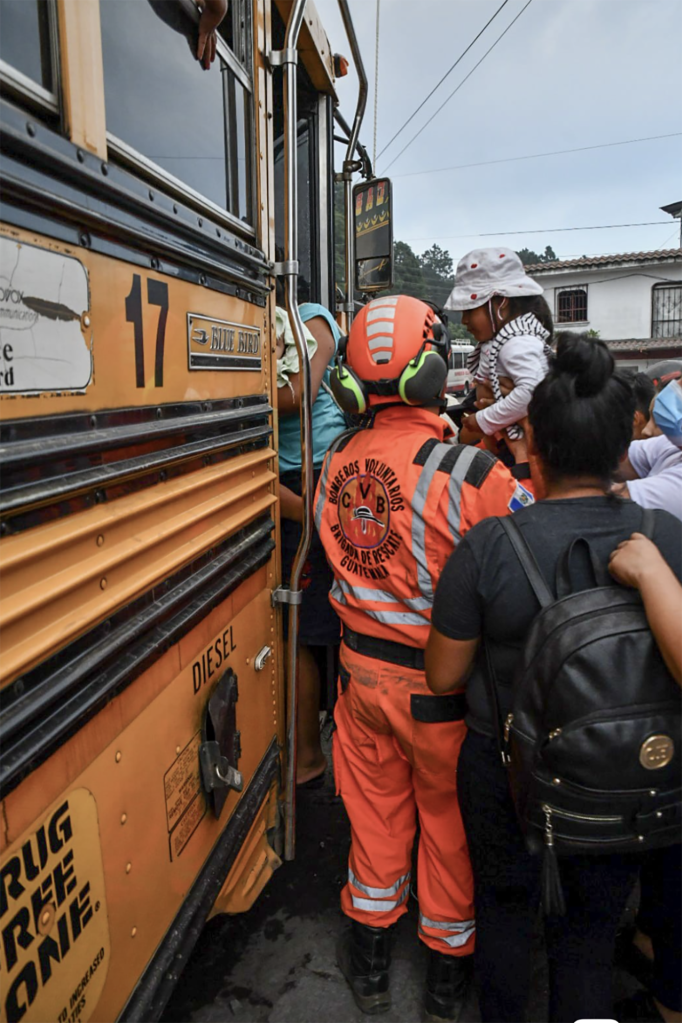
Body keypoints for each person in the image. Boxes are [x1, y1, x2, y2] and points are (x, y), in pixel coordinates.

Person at [425, 333, 682, 1023]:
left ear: (530, 441)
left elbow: (445, 672)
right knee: (590, 940)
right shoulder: (668, 537)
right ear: (624, 445)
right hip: (624, 773)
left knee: (504, 913)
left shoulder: (487, 548)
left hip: (508, 768)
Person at [316, 295, 532, 1021]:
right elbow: (527, 554)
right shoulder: (472, 474)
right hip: (442, 691)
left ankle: (371, 959)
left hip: (359, 679)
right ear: (434, 368)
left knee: (374, 817)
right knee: (447, 825)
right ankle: (446, 978)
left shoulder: (333, 463)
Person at [608, 380, 682, 1023]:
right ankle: (649, 941)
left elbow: (615, 490)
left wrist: (654, 574)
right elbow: (634, 458)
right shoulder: (670, 452)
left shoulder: (669, 497)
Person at [276, 293, 346, 785]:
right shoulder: (267, 330)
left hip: (313, 472)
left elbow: (296, 395)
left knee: (304, 631)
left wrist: (219, 387)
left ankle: (309, 757)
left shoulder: (312, 319)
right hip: (290, 475)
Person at [444, 247, 553, 446]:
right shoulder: (502, 342)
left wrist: (484, 420)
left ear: (501, 303)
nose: (464, 320)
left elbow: (531, 392)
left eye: (469, 310)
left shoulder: (517, 343)